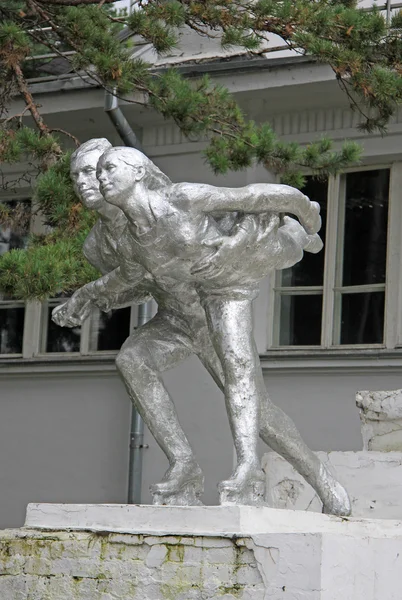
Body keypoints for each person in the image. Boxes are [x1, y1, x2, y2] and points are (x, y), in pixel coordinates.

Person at [54, 145, 351, 514]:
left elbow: (251, 200)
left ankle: (319, 477)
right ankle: (184, 465)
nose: (90, 181)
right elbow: (136, 282)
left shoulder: (177, 200)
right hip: (178, 318)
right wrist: (90, 298)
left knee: (260, 412)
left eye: (96, 169)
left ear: (134, 171)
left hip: (222, 297)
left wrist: (269, 229)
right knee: (131, 359)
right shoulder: (100, 244)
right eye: (79, 175)